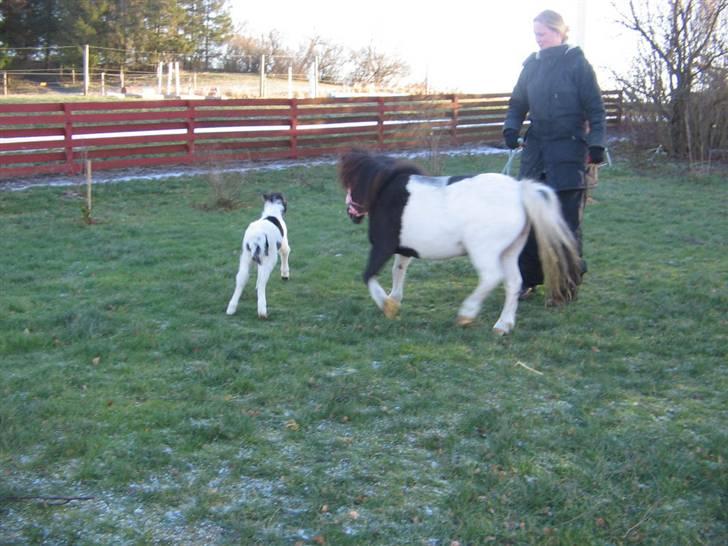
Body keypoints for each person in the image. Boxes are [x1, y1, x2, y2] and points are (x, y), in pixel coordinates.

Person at [502, 9, 606, 300]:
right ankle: (527, 280)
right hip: (536, 153)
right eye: (535, 35)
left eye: (542, 34)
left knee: (565, 224)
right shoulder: (531, 67)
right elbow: (517, 103)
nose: (538, 40)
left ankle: (566, 283)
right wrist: (511, 128)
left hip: (569, 151)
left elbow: (596, 109)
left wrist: (597, 143)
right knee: (528, 220)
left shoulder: (577, 64)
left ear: (559, 32)